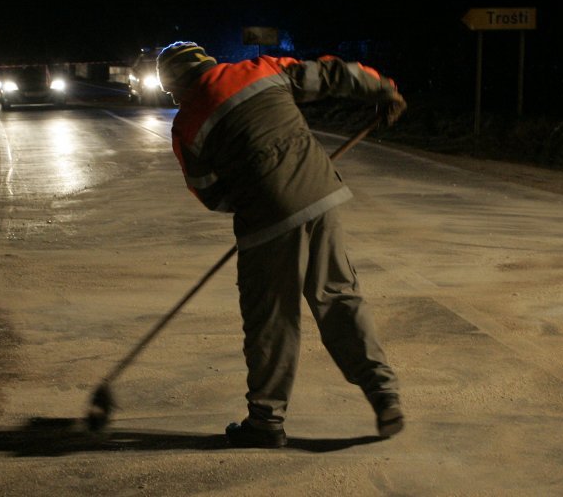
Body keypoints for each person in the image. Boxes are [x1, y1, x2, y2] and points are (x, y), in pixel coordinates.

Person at [156, 41, 407, 448]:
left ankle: (266, 422)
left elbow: (207, 192)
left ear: (175, 85)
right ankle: (384, 396)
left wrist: (256, 197)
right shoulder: (261, 69)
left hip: (265, 220)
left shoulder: (187, 125)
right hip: (320, 194)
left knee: (271, 320)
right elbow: (331, 73)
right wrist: (384, 90)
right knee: (339, 298)